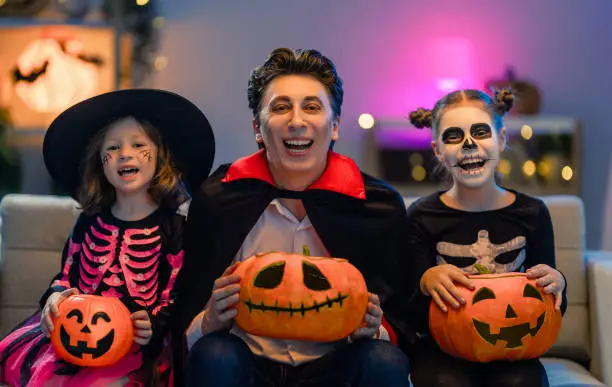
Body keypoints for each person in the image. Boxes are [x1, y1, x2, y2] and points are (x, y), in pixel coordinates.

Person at [173, 48, 413, 387]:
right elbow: (185, 310)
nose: (297, 121)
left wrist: (376, 329)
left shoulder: (376, 206)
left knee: (383, 359)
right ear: (258, 128)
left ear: (334, 127)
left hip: (334, 366)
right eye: (281, 107)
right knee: (215, 354)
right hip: (246, 365)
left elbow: (402, 319)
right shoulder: (220, 198)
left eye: (312, 107)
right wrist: (208, 320)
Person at [0, 89, 215, 386]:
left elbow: (175, 297)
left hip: (136, 345)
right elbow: (66, 275)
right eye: (112, 148)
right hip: (76, 332)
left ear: (160, 157)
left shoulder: (174, 228)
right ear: (100, 162)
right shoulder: (89, 220)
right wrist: (54, 296)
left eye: (138, 144)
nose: (125, 153)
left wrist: (153, 325)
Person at [405, 88, 567, 387]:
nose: (469, 145)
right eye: (453, 136)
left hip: (513, 345)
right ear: (438, 150)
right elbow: (412, 315)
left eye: (480, 133)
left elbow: (550, 305)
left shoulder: (532, 212)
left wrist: (559, 283)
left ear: (501, 139)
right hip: (444, 348)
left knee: (521, 382)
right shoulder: (421, 215)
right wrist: (426, 281)